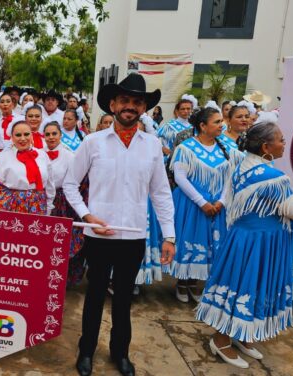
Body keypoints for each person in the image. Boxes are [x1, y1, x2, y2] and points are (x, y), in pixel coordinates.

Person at [63, 73, 175, 376]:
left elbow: (161, 193)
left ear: (143, 109)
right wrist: (86, 216)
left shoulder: (152, 146)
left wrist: (170, 236)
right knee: (95, 296)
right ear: (112, 104)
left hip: (133, 236)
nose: (130, 106)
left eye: (137, 102)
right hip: (99, 235)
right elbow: (70, 184)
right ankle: (86, 351)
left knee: (124, 300)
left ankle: (120, 353)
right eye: (124, 100)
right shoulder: (93, 142)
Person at [195, 122, 293, 369]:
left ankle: (243, 334)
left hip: (242, 238)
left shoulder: (243, 167)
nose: (284, 143)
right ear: (266, 147)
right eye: (281, 139)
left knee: (242, 284)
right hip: (262, 241)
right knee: (248, 285)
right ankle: (221, 340)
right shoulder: (275, 177)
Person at [167, 107, 233, 303]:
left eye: (222, 121)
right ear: (203, 126)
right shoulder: (186, 148)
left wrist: (221, 201)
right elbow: (180, 178)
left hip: (216, 206)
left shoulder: (226, 149)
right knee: (189, 239)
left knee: (209, 244)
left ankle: (196, 282)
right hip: (191, 204)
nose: (222, 125)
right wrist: (202, 202)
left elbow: (230, 178)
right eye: (216, 122)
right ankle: (182, 281)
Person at [43, 121, 85, 285]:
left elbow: (74, 181)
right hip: (45, 198)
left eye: (54, 133)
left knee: (63, 240)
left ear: (60, 135)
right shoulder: (39, 154)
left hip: (63, 202)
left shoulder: (69, 155)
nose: (51, 137)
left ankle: (64, 278)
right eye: (48, 134)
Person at [0, 119, 55, 215]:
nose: (23, 139)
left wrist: (49, 206)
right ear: (12, 138)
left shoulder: (42, 155)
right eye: (18, 135)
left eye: (26, 134)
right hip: (15, 206)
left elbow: (49, 183)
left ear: (31, 135)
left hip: (40, 205)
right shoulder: (5, 157)